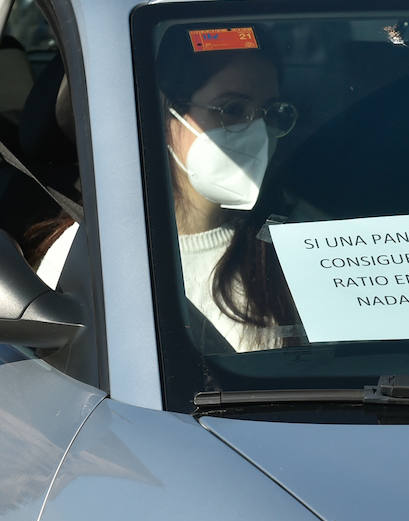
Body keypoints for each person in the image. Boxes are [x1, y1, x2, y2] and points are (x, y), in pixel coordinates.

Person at [26, 26, 299, 352]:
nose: (256, 131)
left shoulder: (295, 243)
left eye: (269, 113)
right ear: (167, 115)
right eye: (233, 110)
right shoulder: (86, 252)